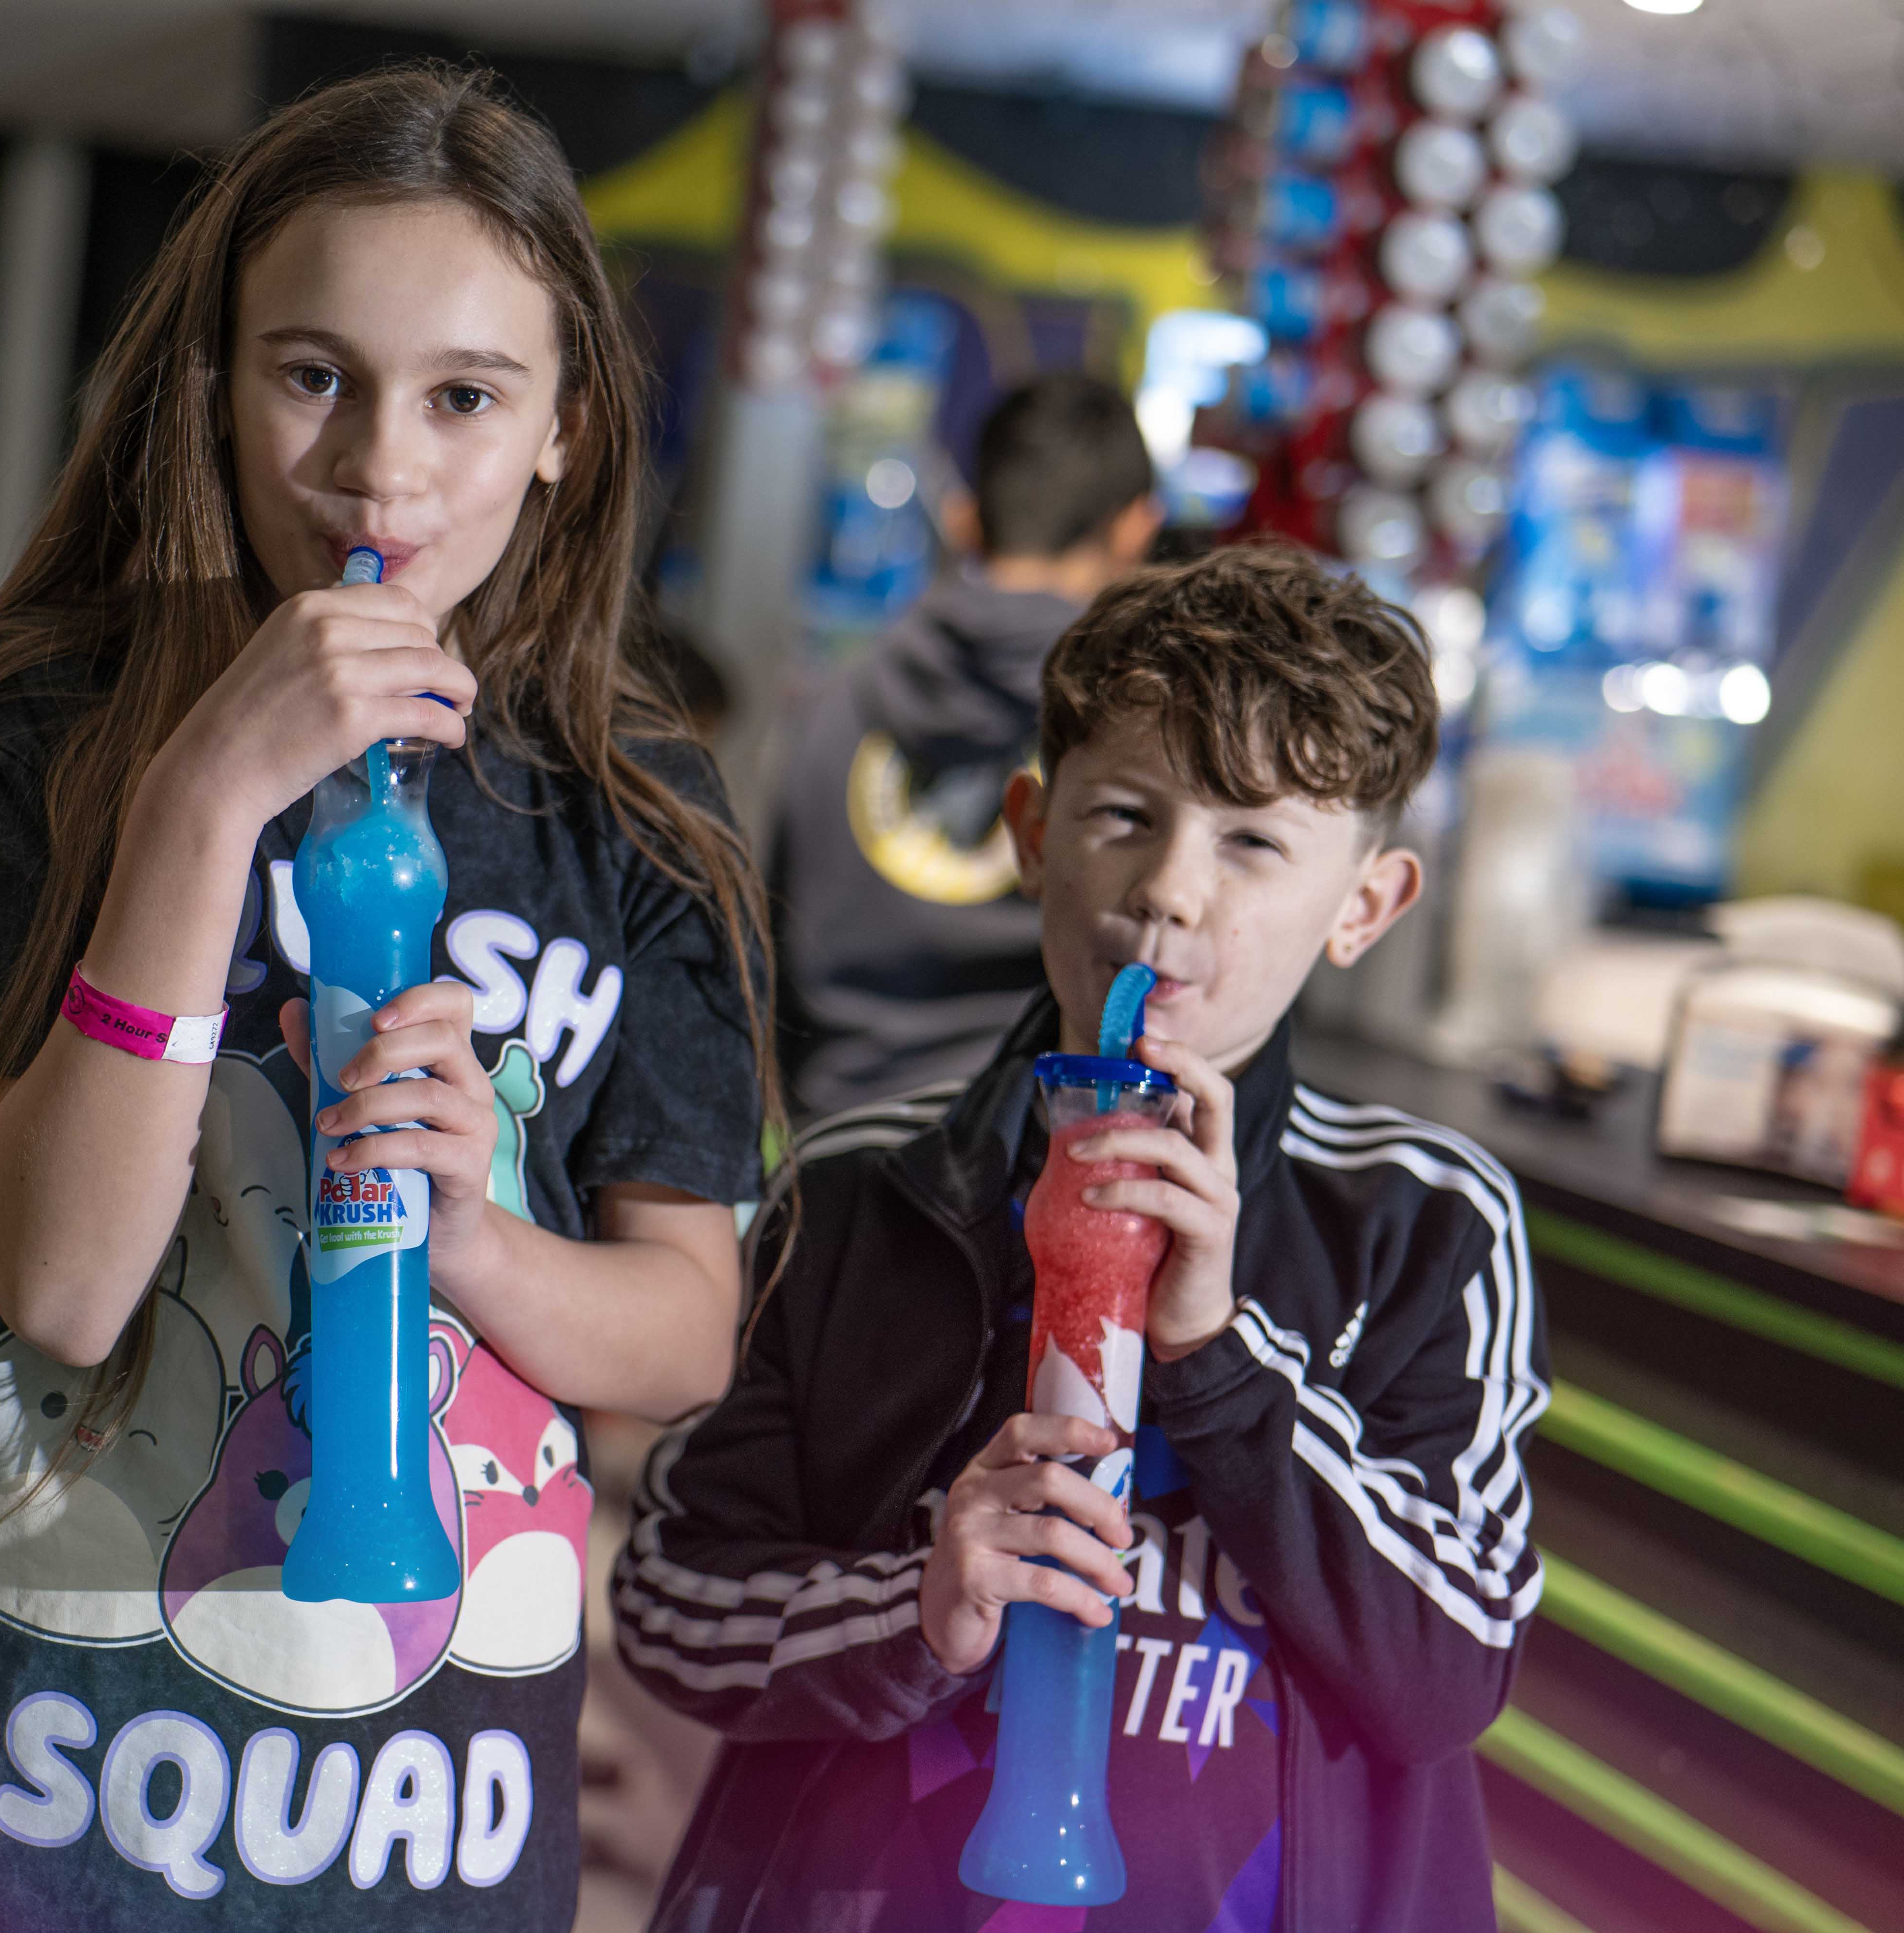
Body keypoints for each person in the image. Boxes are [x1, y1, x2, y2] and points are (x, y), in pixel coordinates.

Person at [0, 66, 768, 1932]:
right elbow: (68, 1286)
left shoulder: (639, 810)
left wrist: (479, 1239)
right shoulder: (42, 741)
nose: (380, 471)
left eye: (466, 397)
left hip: (441, 1823)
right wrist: (203, 795)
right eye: (315, 376)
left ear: (565, 430)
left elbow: (684, 1336)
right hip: (47, 1794)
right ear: (213, 389)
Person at [615, 542, 1545, 1933]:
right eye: (1124, 814)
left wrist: (1216, 1355)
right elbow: (671, 1602)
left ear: (1364, 906)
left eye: (1253, 842)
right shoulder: (862, 1192)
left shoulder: (1424, 1221)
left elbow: (1450, 1668)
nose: (1170, 889)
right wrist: (916, 1607)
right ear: (1033, 831)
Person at [774, 371, 1162, 1120]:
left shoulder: (833, 703)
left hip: (832, 1132)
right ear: (1134, 530)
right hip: (1034, 1143)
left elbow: (764, 941)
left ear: (964, 520)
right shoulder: (1137, 729)